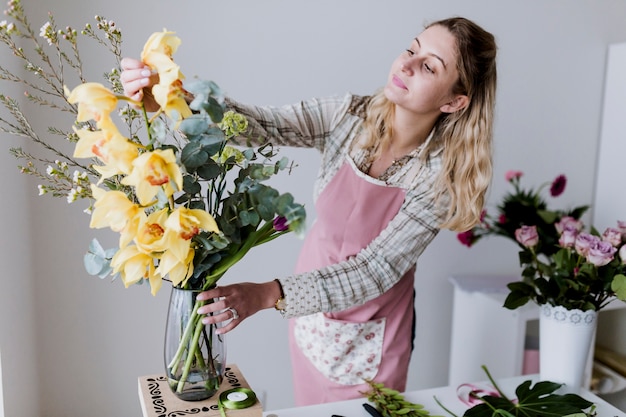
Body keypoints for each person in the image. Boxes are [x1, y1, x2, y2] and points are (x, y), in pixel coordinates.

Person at [121, 16, 497, 406]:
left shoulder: (441, 180)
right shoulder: (350, 116)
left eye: (429, 66)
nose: (406, 65)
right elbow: (264, 125)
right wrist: (173, 97)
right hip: (310, 315)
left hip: (372, 337)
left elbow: (374, 270)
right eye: (412, 49)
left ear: (454, 102)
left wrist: (269, 293)